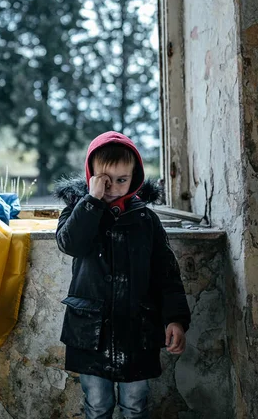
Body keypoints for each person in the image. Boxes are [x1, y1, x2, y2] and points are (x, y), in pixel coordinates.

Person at [54, 131, 191, 419]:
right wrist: (92, 200)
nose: (113, 187)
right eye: (105, 179)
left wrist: (175, 319)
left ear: (135, 178)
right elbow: (71, 244)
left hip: (137, 331)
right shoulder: (78, 212)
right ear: (92, 176)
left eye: (121, 180)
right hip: (92, 334)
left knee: (135, 404)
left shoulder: (146, 221)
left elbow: (167, 274)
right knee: (97, 404)